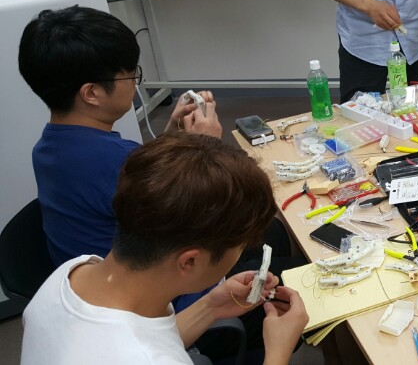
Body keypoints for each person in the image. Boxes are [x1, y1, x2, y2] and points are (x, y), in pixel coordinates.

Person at [21, 133, 309, 365]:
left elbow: (149, 339)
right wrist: (278, 353)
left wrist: (210, 306)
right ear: (190, 261)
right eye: (240, 245)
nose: (242, 251)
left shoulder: (74, 272)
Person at [18, 6, 221, 282]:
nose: (135, 83)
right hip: (149, 292)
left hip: (91, 283)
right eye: (131, 75)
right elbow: (205, 211)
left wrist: (172, 138)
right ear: (92, 93)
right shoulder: (119, 161)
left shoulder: (46, 147)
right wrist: (207, 149)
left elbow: (143, 183)